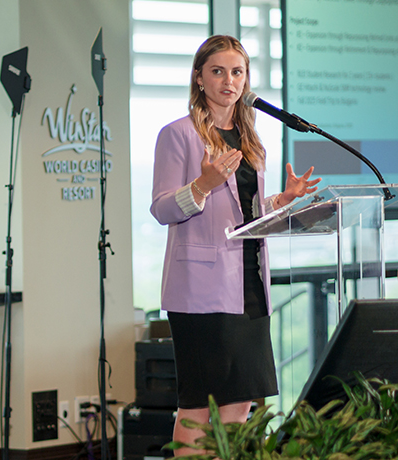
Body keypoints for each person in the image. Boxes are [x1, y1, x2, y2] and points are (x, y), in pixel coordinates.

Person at [150, 35, 321, 456]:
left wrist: (282, 200)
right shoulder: (177, 135)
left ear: (246, 80)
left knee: (241, 402)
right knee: (198, 406)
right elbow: (162, 208)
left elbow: (245, 213)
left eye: (237, 72)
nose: (229, 81)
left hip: (248, 284)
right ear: (199, 78)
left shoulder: (249, 138)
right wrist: (202, 185)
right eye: (218, 71)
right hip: (200, 292)